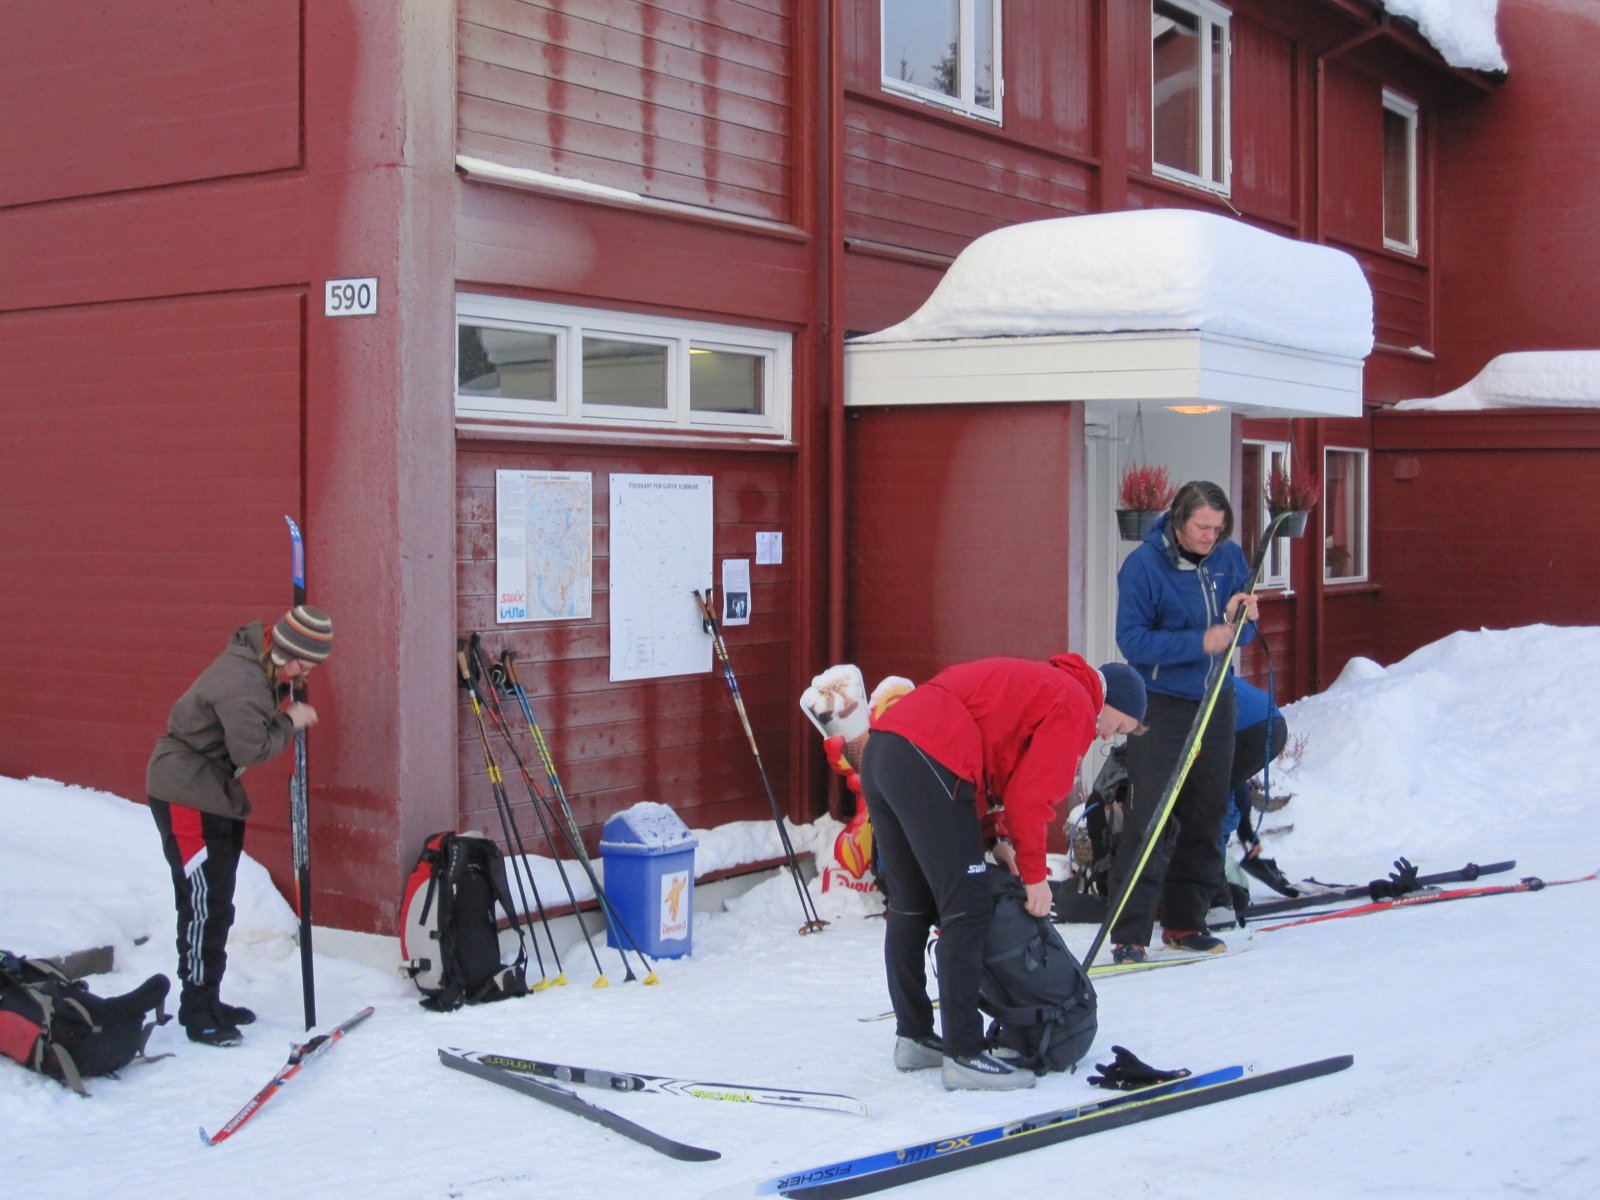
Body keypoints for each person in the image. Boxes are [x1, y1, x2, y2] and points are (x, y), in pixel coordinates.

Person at [859, 654, 1146, 1091]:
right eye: (1120, 726)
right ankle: (965, 1053)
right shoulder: (1075, 704)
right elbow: (1030, 799)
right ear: (1113, 702)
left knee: (911, 905)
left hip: (886, 750)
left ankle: (914, 1035)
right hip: (931, 755)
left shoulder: (1045, 685)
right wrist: (1034, 877)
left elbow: (991, 766)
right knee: (966, 908)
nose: (1109, 737)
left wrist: (994, 840)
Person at [146, 605, 333, 1045]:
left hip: (214, 793)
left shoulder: (261, 666)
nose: (308, 672)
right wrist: (289, 719)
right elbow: (250, 747)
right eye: (306, 663)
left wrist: (285, 694)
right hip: (186, 793)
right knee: (202, 903)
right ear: (287, 651)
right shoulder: (243, 680)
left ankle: (209, 997)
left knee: (218, 903)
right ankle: (196, 1010)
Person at [1110, 479, 1258, 964]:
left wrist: (1242, 620)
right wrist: (1202, 642)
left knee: (1206, 812)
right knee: (1150, 818)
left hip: (1217, 698)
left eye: (1218, 528)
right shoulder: (1143, 567)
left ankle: (1184, 922)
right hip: (1161, 704)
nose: (1210, 536)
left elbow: (1246, 629)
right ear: (1178, 519)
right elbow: (1132, 642)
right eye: (1202, 527)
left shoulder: (1230, 559)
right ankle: (1128, 934)